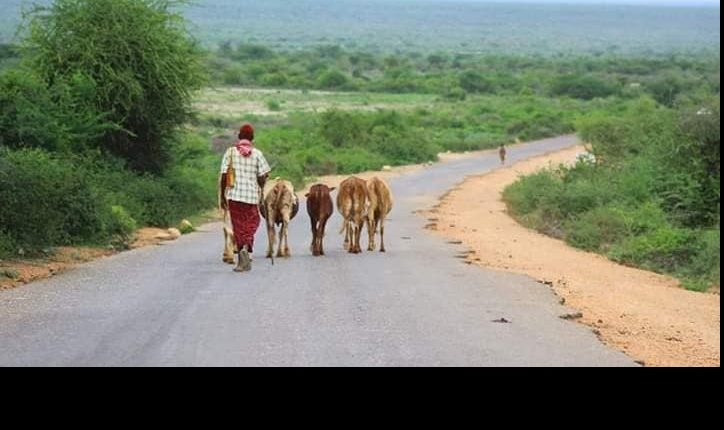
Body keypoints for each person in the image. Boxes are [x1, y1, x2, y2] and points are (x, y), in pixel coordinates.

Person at [220, 124, 271, 273]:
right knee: (253, 222)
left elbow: (224, 175)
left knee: (238, 226)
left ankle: (243, 250)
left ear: (239, 137)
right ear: (252, 138)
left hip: (234, 195)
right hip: (251, 196)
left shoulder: (230, 153)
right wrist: (262, 183)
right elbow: (262, 176)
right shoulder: (257, 154)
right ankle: (245, 249)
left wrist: (223, 194)